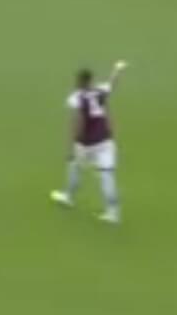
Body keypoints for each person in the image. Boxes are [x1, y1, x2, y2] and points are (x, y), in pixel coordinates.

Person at [52, 61, 127, 224]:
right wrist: (117, 69)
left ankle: (68, 196)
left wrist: (72, 145)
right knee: (107, 175)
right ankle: (113, 213)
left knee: (75, 167)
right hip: (105, 141)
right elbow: (112, 83)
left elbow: (78, 121)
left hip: (86, 143)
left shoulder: (76, 97)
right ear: (91, 80)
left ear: (79, 81)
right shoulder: (100, 91)